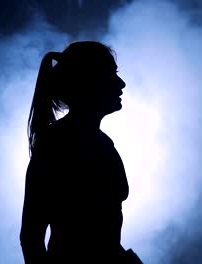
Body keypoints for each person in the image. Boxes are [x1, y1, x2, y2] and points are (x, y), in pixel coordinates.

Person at [20, 41, 139, 263]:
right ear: (88, 82)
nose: (121, 84)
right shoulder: (56, 146)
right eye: (110, 74)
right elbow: (31, 238)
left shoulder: (101, 144)